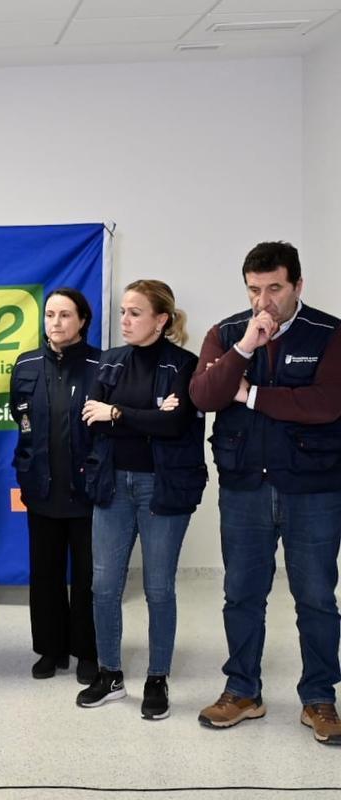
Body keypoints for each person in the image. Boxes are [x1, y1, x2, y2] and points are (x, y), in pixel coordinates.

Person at [190, 241, 341, 746]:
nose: (264, 300)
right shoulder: (227, 333)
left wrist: (250, 393)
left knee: (316, 598)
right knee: (241, 594)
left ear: (297, 285)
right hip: (244, 488)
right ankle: (242, 691)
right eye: (254, 289)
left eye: (274, 288)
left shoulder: (329, 333)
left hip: (313, 489)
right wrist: (243, 350)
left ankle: (319, 697)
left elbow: (326, 404)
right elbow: (204, 395)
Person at [75, 279, 207, 721]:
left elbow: (174, 425)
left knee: (158, 588)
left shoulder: (184, 364)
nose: (125, 320)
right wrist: (145, 416)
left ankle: (157, 678)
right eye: (123, 312)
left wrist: (117, 413)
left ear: (161, 319)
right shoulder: (110, 361)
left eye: (135, 313)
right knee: (104, 585)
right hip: (112, 484)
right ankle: (110, 674)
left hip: (161, 487)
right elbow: (91, 418)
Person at [9, 288, 100, 685]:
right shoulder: (26, 363)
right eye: (49, 315)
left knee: (87, 577)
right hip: (41, 486)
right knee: (44, 574)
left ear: (82, 320)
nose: (56, 323)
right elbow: (21, 418)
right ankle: (51, 649)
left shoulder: (101, 364)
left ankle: (87, 652)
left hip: (87, 491)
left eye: (65, 315)